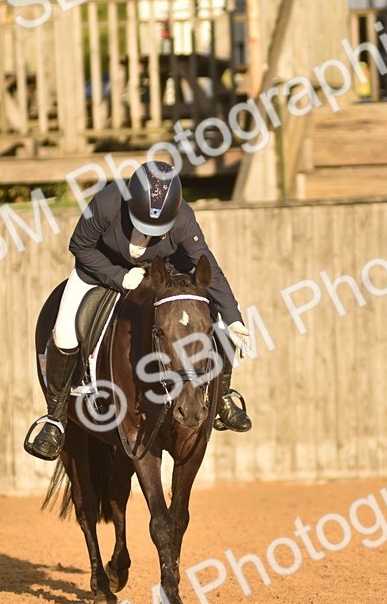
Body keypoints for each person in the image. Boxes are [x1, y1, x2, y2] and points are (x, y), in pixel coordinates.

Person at [24, 162, 253, 461]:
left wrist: (233, 318)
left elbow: (207, 266)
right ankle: (55, 420)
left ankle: (222, 399)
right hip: (99, 271)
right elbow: (80, 246)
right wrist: (118, 277)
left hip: (161, 274)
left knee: (211, 323)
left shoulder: (183, 218)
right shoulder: (106, 204)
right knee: (65, 333)